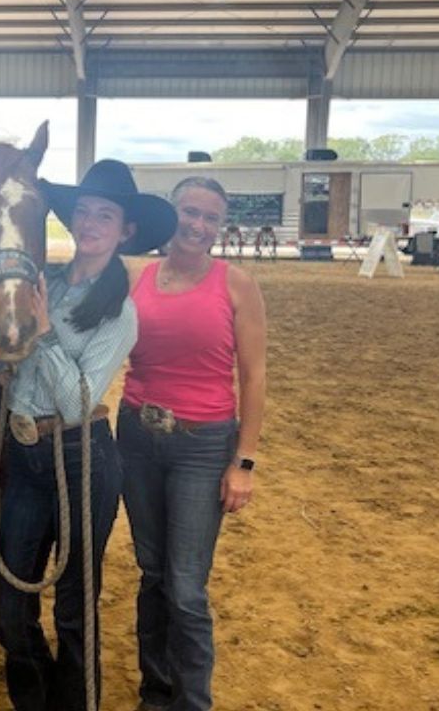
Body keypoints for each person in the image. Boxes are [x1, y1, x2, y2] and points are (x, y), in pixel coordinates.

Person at [0, 159, 177, 711]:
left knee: (74, 610)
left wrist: (48, 331)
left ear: (126, 230)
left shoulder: (120, 313)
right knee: (10, 611)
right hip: (26, 452)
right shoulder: (42, 283)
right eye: (83, 211)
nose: (90, 222)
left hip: (82, 458)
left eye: (105, 215)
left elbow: (78, 397)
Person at [118, 176, 268, 711]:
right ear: (170, 213)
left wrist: (243, 462)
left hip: (203, 446)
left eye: (211, 218)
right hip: (136, 436)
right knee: (152, 573)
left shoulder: (236, 285)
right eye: (189, 212)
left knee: (184, 587)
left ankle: (192, 702)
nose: (199, 226)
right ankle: (155, 695)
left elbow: (253, 375)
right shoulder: (138, 278)